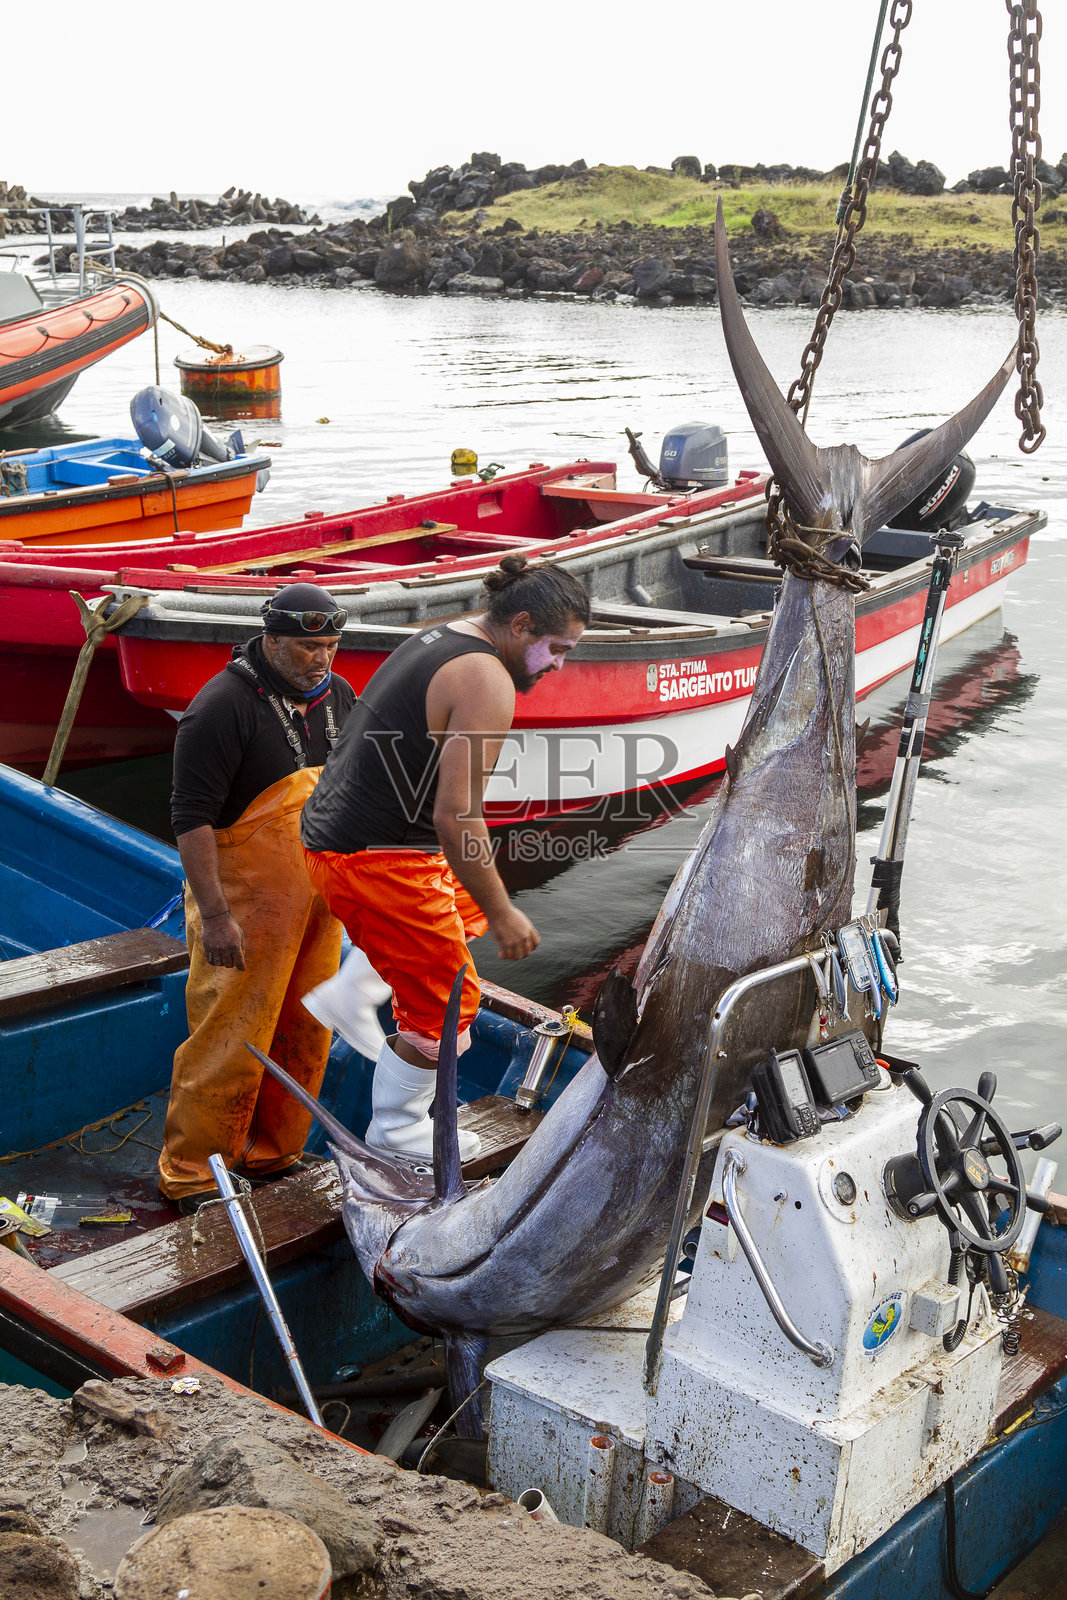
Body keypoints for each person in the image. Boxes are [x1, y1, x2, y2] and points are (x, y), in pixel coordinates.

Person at [300, 555, 590, 1162]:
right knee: (451, 1006)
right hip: (371, 859)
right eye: (556, 649)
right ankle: (396, 1130)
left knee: (463, 911)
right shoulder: (488, 681)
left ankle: (353, 989)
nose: (560, 666)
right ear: (521, 625)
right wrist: (508, 911)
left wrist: (488, 902)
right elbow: (456, 817)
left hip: (345, 834)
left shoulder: (449, 632)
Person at [158, 582, 356, 1213]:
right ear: (270, 639)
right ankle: (194, 1174)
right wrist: (215, 917)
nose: (320, 658)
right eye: (305, 646)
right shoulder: (220, 707)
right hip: (241, 907)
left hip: (319, 906)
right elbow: (190, 818)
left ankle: (273, 1153)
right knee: (229, 1034)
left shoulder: (341, 697)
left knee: (307, 1027)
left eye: (329, 645)